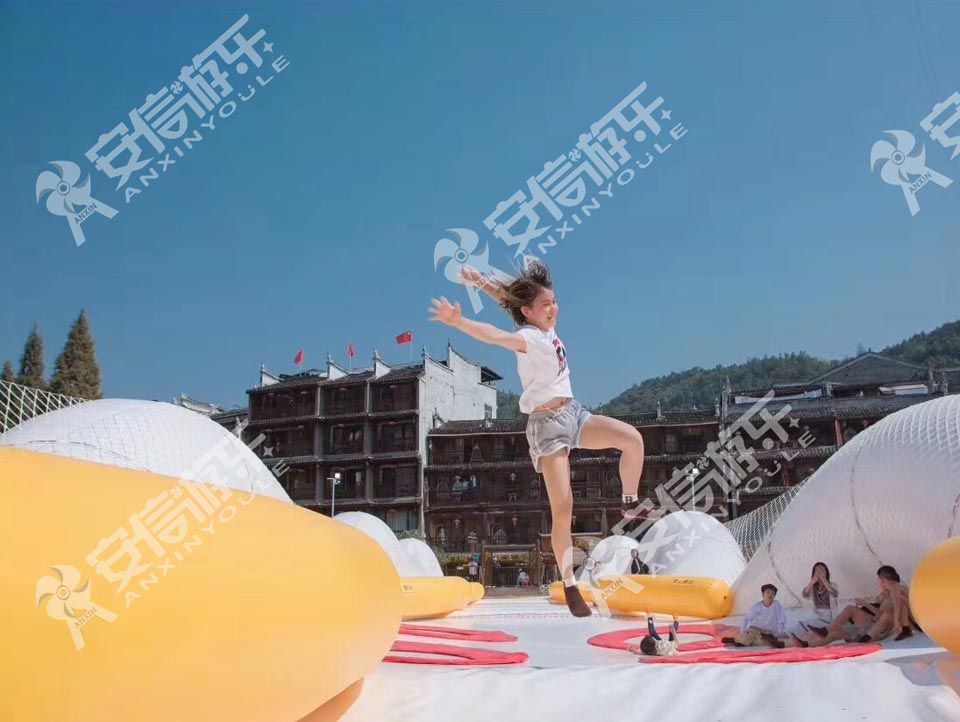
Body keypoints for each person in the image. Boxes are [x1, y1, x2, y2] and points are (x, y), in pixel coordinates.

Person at [430, 261, 646, 618]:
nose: (554, 309)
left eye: (555, 302)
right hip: (547, 426)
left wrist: (480, 280)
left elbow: (508, 295)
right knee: (564, 508)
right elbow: (494, 335)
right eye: (546, 305)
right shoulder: (527, 338)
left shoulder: (543, 328)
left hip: (574, 413)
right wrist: (459, 322)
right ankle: (570, 583)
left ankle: (628, 500)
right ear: (529, 313)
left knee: (632, 440)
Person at [800, 566, 913, 647]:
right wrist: (867, 604)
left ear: (883, 580)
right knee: (849, 610)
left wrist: (899, 624)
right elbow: (880, 615)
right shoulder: (888, 593)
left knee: (887, 615)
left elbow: (888, 614)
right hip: (872, 624)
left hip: (878, 630)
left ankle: (864, 640)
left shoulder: (896, 589)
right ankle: (821, 633)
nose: (879, 583)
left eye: (879, 580)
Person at [723, 584, 788, 648]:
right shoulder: (757, 606)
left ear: (774, 596)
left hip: (769, 632)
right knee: (751, 635)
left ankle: (742, 642)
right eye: (768, 592)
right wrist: (743, 633)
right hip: (756, 629)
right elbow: (746, 618)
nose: (770, 595)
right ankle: (735, 640)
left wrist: (780, 633)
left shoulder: (776, 604)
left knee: (763, 641)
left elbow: (781, 619)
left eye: (773, 593)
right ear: (763, 595)